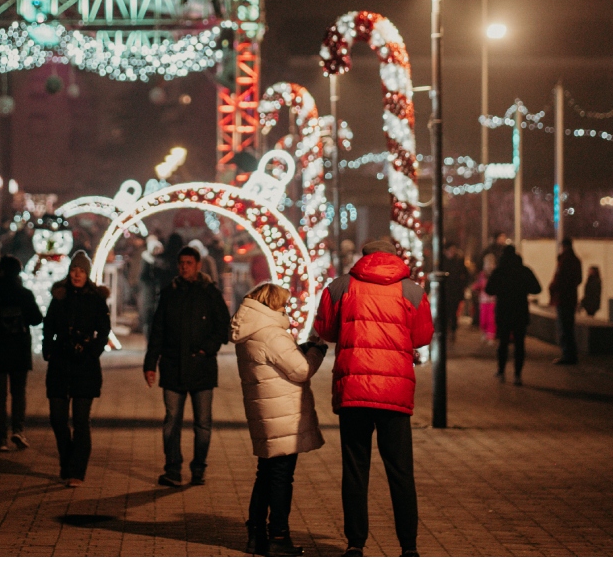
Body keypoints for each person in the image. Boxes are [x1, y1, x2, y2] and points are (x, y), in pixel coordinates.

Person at [312, 236, 433, 558]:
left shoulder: (339, 286)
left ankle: (355, 543)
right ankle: (408, 547)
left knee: (355, 467)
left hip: (354, 387)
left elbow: (324, 328)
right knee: (401, 470)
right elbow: (422, 336)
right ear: (394, 256)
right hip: (394, 390)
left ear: (363, 256)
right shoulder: (412, 290)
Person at [233, 281, 326, 556]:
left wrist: (301, 347)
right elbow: (300, 370)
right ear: (272, 303)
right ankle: (278, 536)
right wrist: (317, 350)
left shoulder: (251, 330)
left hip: (266, 413)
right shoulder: (271, 334)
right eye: (283, 303)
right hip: (282, 415)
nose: (286, 307)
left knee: (266, 473)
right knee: (281, 477)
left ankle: (256, 533)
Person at [144, 245, 231, 487]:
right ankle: (173, 468)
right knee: (172, 419)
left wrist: (208, 347)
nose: (184, 266)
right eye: (181, 262)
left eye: (189, 263)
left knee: (203, 422)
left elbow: (223, 325)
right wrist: (150, 363)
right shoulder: (170, 293)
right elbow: (158, 331)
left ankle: (198, 468)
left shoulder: (209, 293)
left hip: (202, 366)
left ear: (198, 265)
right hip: (173, 366)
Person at [42, 251, 111, 487]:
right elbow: (48, 324)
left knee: (81, 420)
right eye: (74, 270)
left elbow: (104, 330)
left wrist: (93, 351)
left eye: (81, 271)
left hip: (85, 364)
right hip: (61, 361)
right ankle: (67, 459)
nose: (77, 275)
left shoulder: (96, 298)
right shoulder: (60, 296)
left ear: (87, 273)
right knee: (57, 417)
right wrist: (48, 348)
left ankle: (77, 470)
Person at [0, 255, 43, 451]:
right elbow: (36, 319)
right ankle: (18, 430)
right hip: (19, 349)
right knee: (18, 392)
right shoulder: (24, 295)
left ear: (0, 271)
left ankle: (1, 439)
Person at [484, 244, 541, 384]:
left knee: (503, 342)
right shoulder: (524, 270)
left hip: (503, 311)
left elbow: (489, 289)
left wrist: (501, 290)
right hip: (520, 311)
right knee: (519, 344)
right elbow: (537, 288)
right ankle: (517, 375)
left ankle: (501, 371)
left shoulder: (499, 271)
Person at [550, 237, 583, 364]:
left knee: (563, 328)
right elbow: (579, 280)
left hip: (563, 299)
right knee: (569, 327)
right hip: (571, 298)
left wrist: (553, 288)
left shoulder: (564, 260)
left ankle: (567, 355)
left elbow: (558, 280)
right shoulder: (576, 260)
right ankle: (571, 354)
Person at [474, 256, 498, 342]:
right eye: (487, 264)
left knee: (491, 318)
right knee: (483, 318)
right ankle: (484, 332)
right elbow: (478, 284)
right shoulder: (482, 274)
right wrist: (476, 287)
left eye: (491, 264)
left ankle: (491, 335)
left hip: (493, 299)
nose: (489, 266)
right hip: (483, 300)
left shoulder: (496, 274)